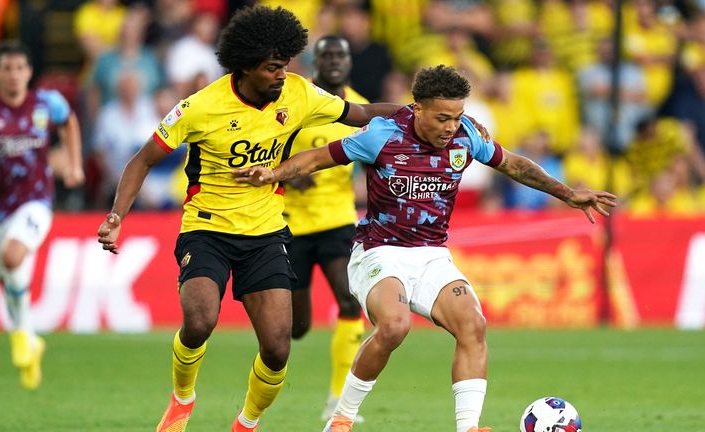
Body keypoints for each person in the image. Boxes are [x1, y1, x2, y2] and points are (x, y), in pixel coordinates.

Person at [233, 65, 617, 432]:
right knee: (395, 326)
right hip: (378, 251)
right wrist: (274, 173)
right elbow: (319, 157)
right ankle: (341, 419)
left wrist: (568, 194)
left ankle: (468, 426)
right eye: (442, 118)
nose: (451, 127)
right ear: (417, 108)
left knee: (473, 324)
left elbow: (514, 165)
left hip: (432, 254)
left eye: (457, 116)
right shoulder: (382, 135)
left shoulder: (468, 136)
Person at [95, 6, 400, 432]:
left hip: (266, 232)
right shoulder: (200, 107)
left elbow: (359, 114)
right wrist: (116, 216)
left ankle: (246, 423)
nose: (282, 75)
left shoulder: (299, 93)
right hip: (207, 228)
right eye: (273, 68)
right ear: (245, 66)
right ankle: (182, 400)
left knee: (278, 347)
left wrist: (415, 112)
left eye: (285, 66)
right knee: (199, 321)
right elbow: (142, 160)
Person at [0, 40, 84, 390]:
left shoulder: (47, 103)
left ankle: (22, 335)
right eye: (6, 69)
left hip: (36, 201)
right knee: (9, 279)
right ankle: (28, 338)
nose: (13, 75)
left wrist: (73, 164)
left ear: (29, 72)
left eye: (19, 68)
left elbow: (68, 123)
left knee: (12, 257)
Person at [282, 35, 369, 422]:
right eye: (327, 56)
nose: (334, 61)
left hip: (337, 221)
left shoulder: (358, 109)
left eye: (340, 55)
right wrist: (286, 179)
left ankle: (338, 399)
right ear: (314, 64)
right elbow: (266, 149)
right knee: (298, 327)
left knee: (350, 301)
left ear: (349, 63)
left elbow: (376, 159)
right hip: (292, 224)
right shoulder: (298, 102)